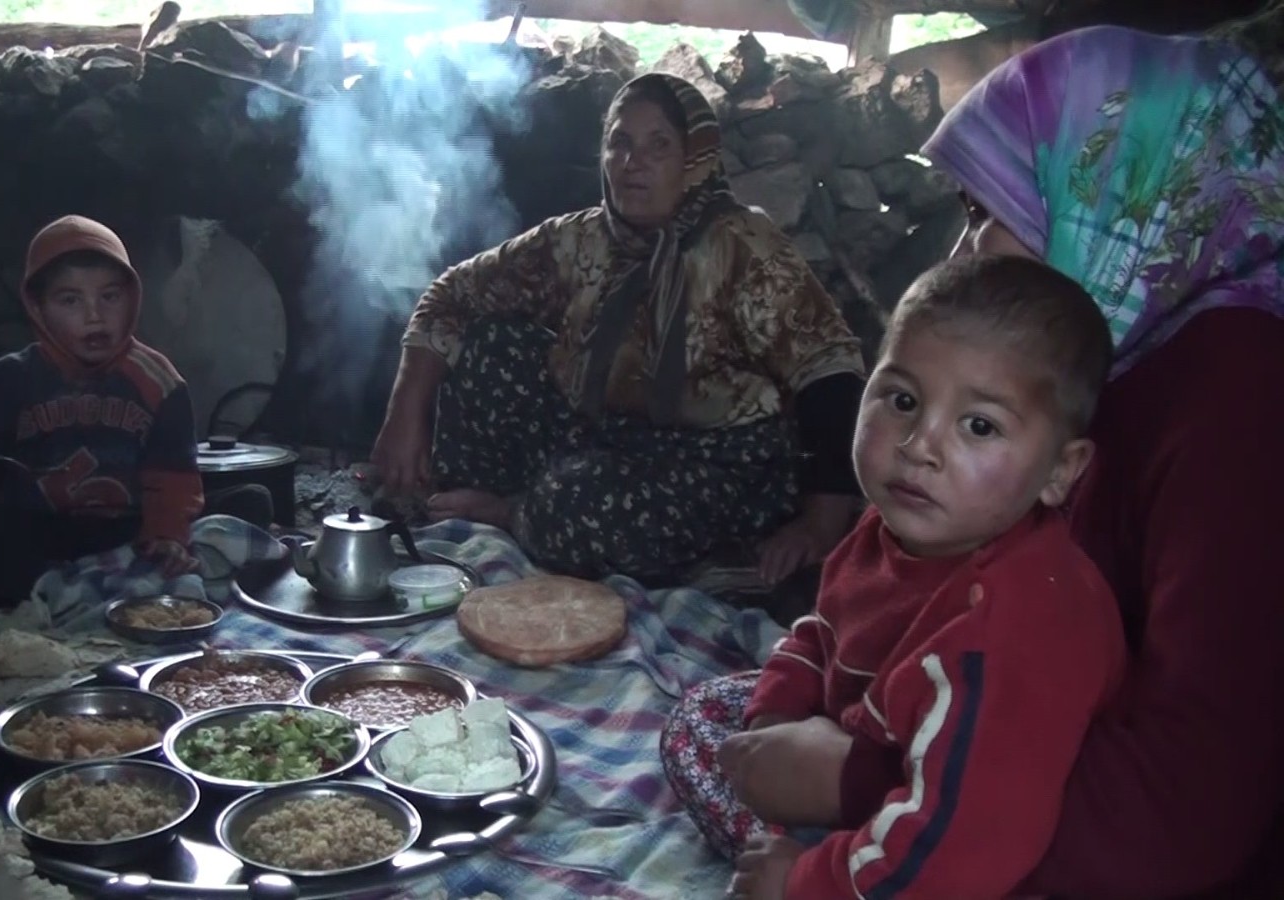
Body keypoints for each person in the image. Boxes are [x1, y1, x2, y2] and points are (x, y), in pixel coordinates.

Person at [669, 22, 1284, 899]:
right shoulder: (1123, 351)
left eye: (986, 214)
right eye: (903, 400)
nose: (964, 256)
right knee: (712, 721)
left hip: (1019, 825)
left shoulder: (1240, 398)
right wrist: (795, 726)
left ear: (1106, 188)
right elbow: (856, 621)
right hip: (938, 736)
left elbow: (1173, 815)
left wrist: (849, 794)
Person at [661, 254, 1125, 899]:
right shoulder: (890, 528)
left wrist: (803, 881)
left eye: (979, 426)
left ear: (1060, 472)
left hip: (953, 842)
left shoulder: (1015, 631)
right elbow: (825, 630)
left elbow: (964, 844)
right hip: (867, 751)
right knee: (703, 718)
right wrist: (775, 720)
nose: (919, 446)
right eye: (903, 400)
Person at [372, 73, 865, 586]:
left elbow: (830, 367)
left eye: (659, 146)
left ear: (694, 159)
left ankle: (511, 515)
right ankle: (476, 504)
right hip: (600, 434)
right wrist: (404, 413)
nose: (634, 163)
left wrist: (820, 524)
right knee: (491, 344)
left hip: (717, 464)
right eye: (620, 143)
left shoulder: (743, 249)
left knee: (581, 504)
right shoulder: (581, 239)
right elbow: (454, 294)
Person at [0, 215, 213, 603]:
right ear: (38, 308)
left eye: (109, 297)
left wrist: (167, 535)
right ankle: (61, 586)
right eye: (70, 300)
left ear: (133, 298)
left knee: (225, 521)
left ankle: (73, 588)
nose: (94, 315)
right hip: (36, 534)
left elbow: (172, 474)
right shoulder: (11, 378)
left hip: (125, 530)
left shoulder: (158, 382)